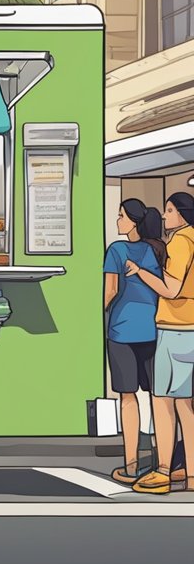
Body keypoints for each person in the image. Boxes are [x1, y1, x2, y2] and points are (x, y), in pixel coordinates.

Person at [126, 191, 194, 494]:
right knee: (186, 404)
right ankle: (190, 472)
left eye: (169, 210)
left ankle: (164, 471)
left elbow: (171, 288)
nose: (164, 216)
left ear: (182, 213)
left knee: (164, 401)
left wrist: (141, 273)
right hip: (190, 327)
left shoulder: (181, 241)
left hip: (175, 326)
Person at [102, 200, 163, 484]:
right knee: (157, 397)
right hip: (153, 330)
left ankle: (130, 465)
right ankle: (160, 461)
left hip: (122, 331)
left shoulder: (117, 250)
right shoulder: (157, 250)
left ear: (133, 222)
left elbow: (111, 291)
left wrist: (98, 314)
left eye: (121, 216)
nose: (117, 221)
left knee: (128, 398)